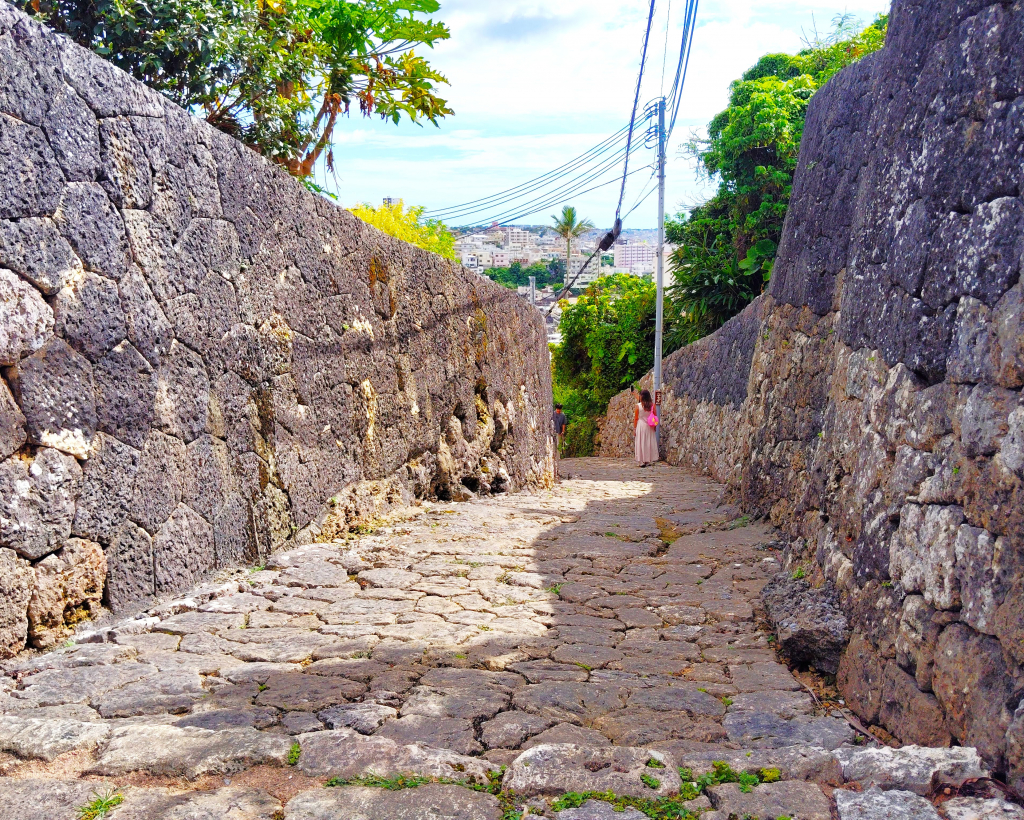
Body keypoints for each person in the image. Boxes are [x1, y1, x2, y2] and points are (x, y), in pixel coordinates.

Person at [633, 389, 658, 467]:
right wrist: (655, 427)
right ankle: (648, 460)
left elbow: (636, 418)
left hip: (641, 426)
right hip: (649, 426)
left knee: (641, 443)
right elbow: (655, 416)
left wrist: (634, 428)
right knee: (648, 443)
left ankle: (642, 461)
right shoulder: (652, 405)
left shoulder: (638, 406)